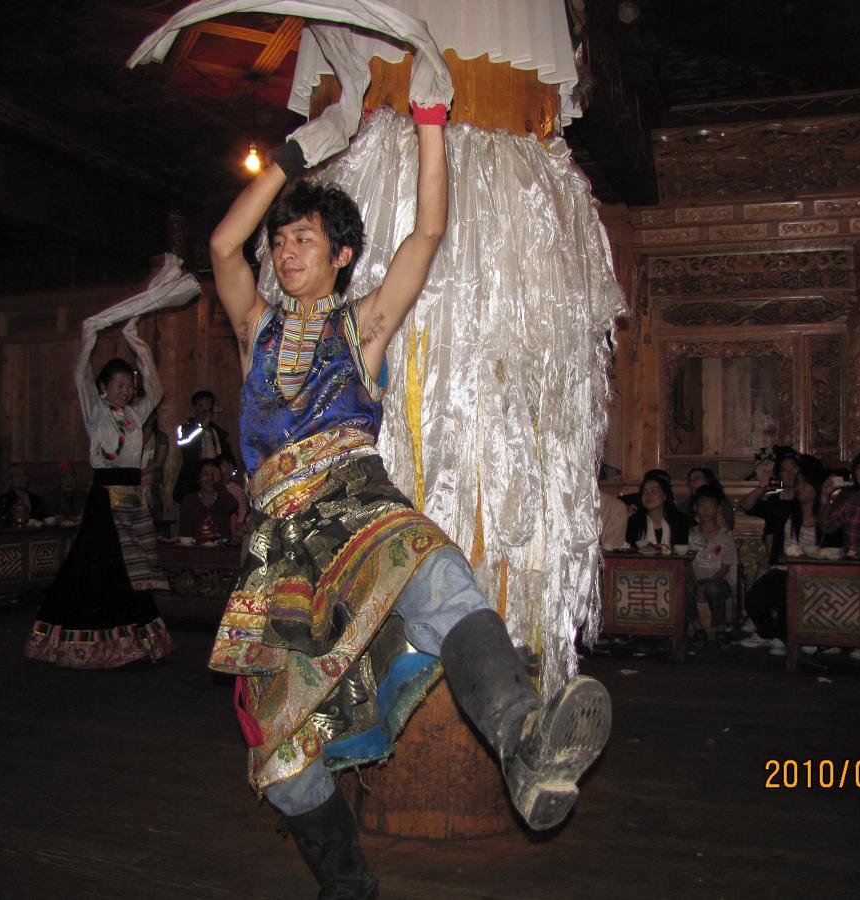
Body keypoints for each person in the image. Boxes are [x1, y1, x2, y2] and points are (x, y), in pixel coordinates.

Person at [207, 97, 610, 896]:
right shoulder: (255, 328)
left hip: (358, 502)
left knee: (437, 572)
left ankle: (525, 738)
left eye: (303, 239)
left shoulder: (362, 328)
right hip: (280, 541)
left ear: (342, 254)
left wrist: (430, 118)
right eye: (280, 241)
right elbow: (223, 244)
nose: (285, 251)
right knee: (280, 754)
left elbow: (426, 234)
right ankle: (347, 882)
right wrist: (294, 156)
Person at [23, 315, 174, 668]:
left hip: (131, 499)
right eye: (119, 385)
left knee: (132, 572)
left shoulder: (135, 416)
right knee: (98, 566)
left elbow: (155, 389)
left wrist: (136, 341)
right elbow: (80, 375)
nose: (126, 390)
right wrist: (89, 337)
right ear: (103, 387)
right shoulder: (96, 411)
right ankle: (88, 640)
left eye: (129, 385)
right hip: (105, 500)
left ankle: (136, 641)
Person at [740, 463, 842, 656]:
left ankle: (785, 637)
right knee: (754, 598)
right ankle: (769, 633)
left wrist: (824, 500)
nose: (800, 487)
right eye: (798, 483)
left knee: (789, 593)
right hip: (785, 568)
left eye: (806, 483)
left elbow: (832, 543)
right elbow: (746, 506)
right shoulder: (787, 510)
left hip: (816, 572)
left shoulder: (827, 514)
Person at [687, 484, 738, 638]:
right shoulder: (691, 534)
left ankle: (720, 627)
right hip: (696, 579)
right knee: (685, 587)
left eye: (711, 505)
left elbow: (725, 567)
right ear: (695, 507)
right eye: (702, 504)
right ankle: (696, 626)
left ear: (718, 509)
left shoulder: (725, 536)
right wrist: (697, 584)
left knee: (714, 588)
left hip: (719, 580)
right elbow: (687, 562)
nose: (706, 509)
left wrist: (708, 583)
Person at [172, 389, 238, 503]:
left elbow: (227, 458)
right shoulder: (184, 429)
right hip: (193, 482)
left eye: (208, 407)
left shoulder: (218, 432)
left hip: (215, 483)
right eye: (201, 406)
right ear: (194, 409)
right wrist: (201, 427)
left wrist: (230, 470)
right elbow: (186, 445)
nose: (205, 410)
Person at [624, 472, 691, 550]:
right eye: (644, 492)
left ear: (665, 496)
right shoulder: (633, 523)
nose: (648, 495)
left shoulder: (681, 521)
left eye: (653, 491)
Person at [177, 460, 237, 542]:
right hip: (196, 547)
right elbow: (185, 533)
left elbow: (233, 507)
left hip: (221, 548)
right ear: (198, 478)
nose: (211, 478)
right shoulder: (189, 501)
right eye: (206, 475)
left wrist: (218, 484)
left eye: (214, 475)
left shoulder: (223, 498)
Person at [0, 464, 47, 528]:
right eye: (17, 475)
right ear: (10, 479)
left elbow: (44, 516)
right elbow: (0, 520)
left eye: (24, 475)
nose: (22, 478)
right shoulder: (4, 500)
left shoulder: (35, 499)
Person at [141, 414, 169, 522]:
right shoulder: (135, 434)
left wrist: (144, 471)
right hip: (135, 482)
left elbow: (159, 462)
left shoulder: (160, 437)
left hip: (152, 480)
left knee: (154, 510)